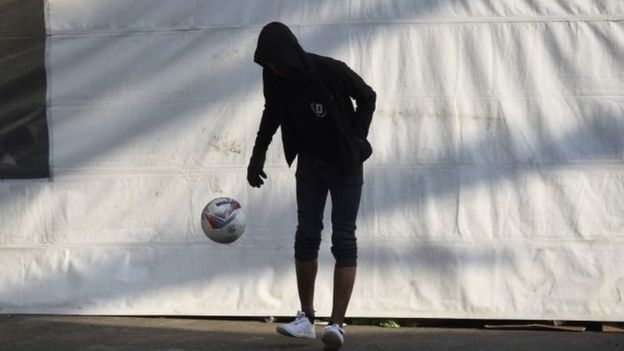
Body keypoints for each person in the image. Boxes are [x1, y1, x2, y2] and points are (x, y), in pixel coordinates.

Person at [247, 22, 376, 350]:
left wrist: (357, 138)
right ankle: (305, 318)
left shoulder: (328, 70)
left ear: (290, 54)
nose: (274, 69)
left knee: (343, 237)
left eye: (277, 62)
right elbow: (271, 112)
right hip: (311, 164)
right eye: (268, 64)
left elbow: (368, 96)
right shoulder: (275, 77)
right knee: (306, 233)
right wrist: (258, 155)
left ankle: (337, 324)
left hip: (345, 164)